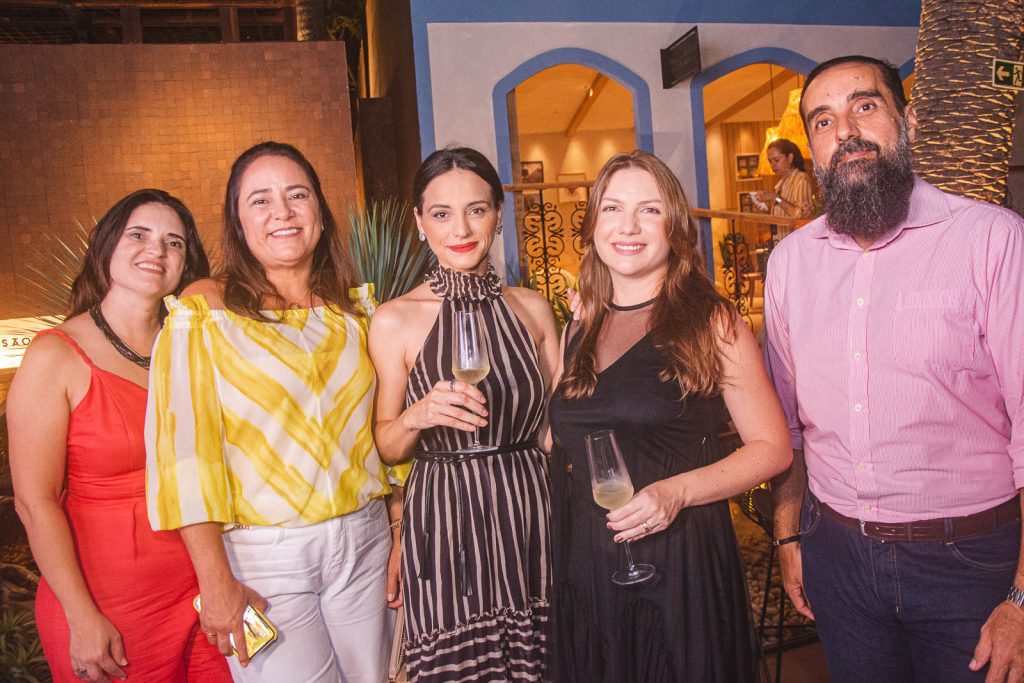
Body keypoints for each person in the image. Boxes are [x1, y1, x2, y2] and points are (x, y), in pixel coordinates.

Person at [765, 55, 1024, 682]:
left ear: (905, 119)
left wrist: (1022, 597)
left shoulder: (991, 239)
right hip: (838, 556)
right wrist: (788, 534)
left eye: (864, 106)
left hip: (969, 562)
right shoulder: (791, 262)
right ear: (813, 146)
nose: (845, 131)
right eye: (823, 121)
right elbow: (789, 428)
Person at [145, 141, 401, 682]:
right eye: (259, 200)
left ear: (320, 213)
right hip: (265, 556)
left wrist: (401, 528)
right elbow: (185, 456)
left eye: (296, 194)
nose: (281, 211)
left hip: (367, 541)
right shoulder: (203, 314)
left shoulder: (358, 312)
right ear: (238, 223)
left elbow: (386, 427)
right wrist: (214, 581)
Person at [547, 150, 791, 682]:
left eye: (649, 210)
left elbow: (772, 448)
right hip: (588, 559)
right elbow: (562, 440)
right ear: (592, 226)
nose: (627, 226)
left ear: (675, 228)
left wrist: (675, 492)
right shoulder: (577, 328)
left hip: (679, 557)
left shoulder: (712, 321)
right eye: (612, 208)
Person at [9, 189, 226, 681]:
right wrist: (80, 615)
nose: (157, 250)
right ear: (107, 246)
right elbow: (34, 502)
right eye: (139, 235)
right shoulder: (55, 355)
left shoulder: (194, 344)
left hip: (207, 593)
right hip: (110, 607)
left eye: (175, 242)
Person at [368, 146, 559, 682]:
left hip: (529, 509)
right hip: (446, 515)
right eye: (441, 213)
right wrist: (418, 415)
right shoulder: (395, 320)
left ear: (499, 215)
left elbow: (557, 426)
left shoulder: (534, 309)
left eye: (477, 209)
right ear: (419, 222)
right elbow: (386, 444)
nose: (461, 229)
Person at [753, 138, 814, 239]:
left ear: (790, 158)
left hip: (796, 247)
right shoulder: (780, 184)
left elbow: (802, 216)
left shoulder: (801, 179)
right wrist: (762, 206)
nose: (772, 165)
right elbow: (782, 214)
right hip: (781, 244)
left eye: (776, 160)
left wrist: (775, 198)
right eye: (770, 161)